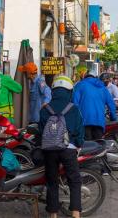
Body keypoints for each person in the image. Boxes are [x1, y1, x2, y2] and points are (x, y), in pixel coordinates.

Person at [39, 75, 85, 218]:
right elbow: (79, 131)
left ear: (53, 91)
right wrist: (78, 144)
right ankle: (75, 214)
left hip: (49, 150)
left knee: (52, 181)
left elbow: (41, 131)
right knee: (74, 180)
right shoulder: (74, 109)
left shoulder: (45, 109)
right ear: (69, 91)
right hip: (68, 149)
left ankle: (53, 214)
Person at [73, 73, 117, 140]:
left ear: (84, 78)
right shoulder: (102, 87)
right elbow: (111, 104)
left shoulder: (80, 85)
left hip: (84, 121)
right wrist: (113, 117)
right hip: (99, 121)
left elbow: (74, 103)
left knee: (88, 146)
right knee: (99, 145)